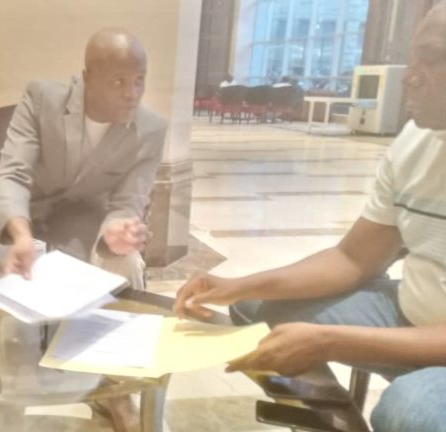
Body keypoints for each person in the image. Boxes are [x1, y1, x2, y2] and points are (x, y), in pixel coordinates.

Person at [173, 4, 446, 431]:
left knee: (409, 409)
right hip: (411, 314)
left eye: (430, 58)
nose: (409, 75)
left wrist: (330, 340)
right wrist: (238, 285)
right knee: (256, 307)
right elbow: (353, 259)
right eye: (412, 56)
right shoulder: (416, 142)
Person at [0, 28, 167, 432]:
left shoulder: (150, 129)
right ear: (87, 77)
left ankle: (117, 388)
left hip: (90, 223)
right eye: (119, 81)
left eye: (139, 80)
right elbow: (12, 174)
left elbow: (128, 201)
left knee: (126, 266)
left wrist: (118, 230)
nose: (132, 93)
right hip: (28, 214)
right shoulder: (42, 99)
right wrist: (20, 233)